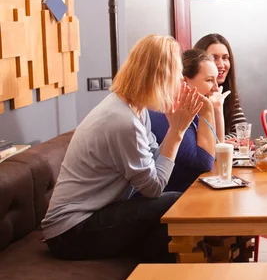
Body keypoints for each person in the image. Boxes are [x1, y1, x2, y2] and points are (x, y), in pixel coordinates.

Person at [42, 35, 202, 263]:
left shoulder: (135, 109)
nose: (180, 82)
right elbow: (153, 188)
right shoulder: (123, 121)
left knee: (163, 234)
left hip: (89, 219)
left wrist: (174, 128)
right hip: (70, 232)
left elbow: (155, 158)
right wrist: (176, 132)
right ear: (160, 76)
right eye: (177, 74)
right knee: (177, 202)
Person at [150, 49, 231, 192]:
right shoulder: (172, 110)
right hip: (170, 197)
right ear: (185, 81)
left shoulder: (191, 107)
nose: (216, 87)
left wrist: (217, 109)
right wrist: (207, 110)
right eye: (209, 80)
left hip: (189, 191)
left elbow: (218, 152)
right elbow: (204, 162)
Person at [194, 34, 246, 142]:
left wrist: (221, 141)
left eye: (225, 58)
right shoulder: (192, 95)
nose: (221, 64)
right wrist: (220, 142)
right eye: (214, 58)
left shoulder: (226, 92)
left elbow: (242, 132)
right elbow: (195, 140)